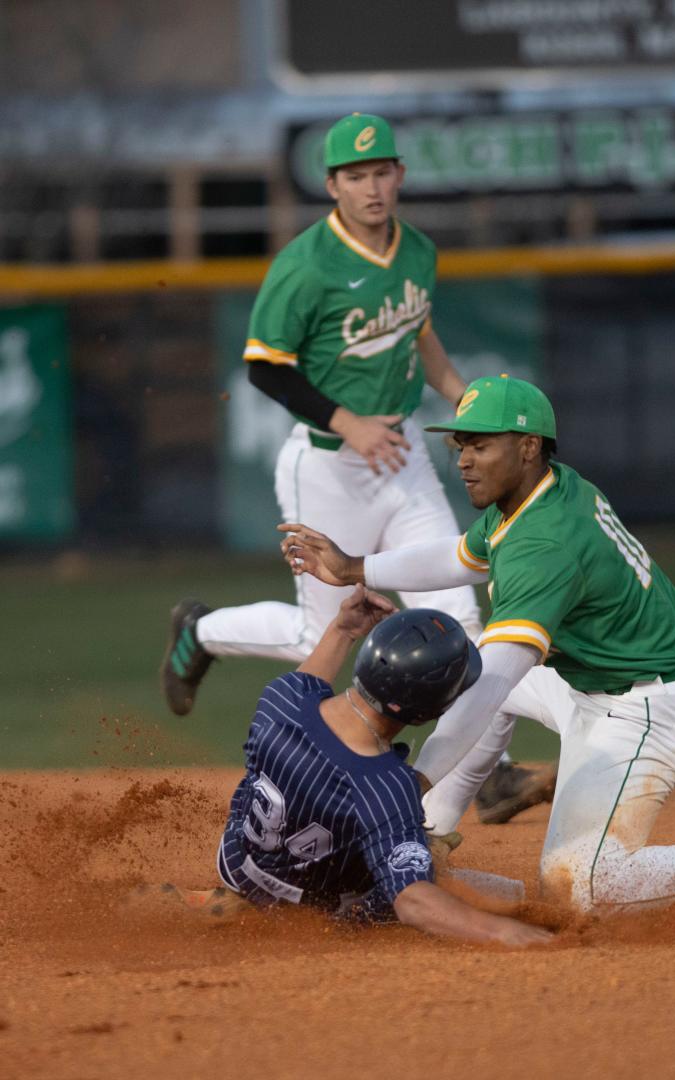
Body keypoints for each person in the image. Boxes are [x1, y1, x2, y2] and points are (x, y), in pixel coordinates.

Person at [279, 375, 675, 914]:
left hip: (648, 710)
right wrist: (356, 566)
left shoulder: (545, 544)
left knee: (580, 887)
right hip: (593, 685)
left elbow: (493, 679)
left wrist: (411, 781)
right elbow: (461, 557)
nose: (464, 460)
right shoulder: (537, 492)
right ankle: (426, 836)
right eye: (460, 445)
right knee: (479, 672)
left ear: (527, 447)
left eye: (481, 445)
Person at [158, 111, 552, 824]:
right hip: (328, 466)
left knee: (463, 612)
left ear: (399, 175)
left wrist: (472, 407)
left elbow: (421, 336)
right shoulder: (307, 265)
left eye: (381, 172)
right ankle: (201, 631)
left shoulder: (417, 252)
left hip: (401, 461)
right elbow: (264, 368)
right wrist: (349, 423)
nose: (371, 187)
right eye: (355, 176)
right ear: (333, 185)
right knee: (323, 638)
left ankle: (482, 772)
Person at [184, 583, 552, 946]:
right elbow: (413, 902)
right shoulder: (386, 788)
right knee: (502, 895)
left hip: (237, 859)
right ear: (426, 713)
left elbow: (313, 674)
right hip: (307, 907)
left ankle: (233, 897)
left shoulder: (283, 699)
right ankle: (261, 912)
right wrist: (501, 931)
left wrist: (344, 627)